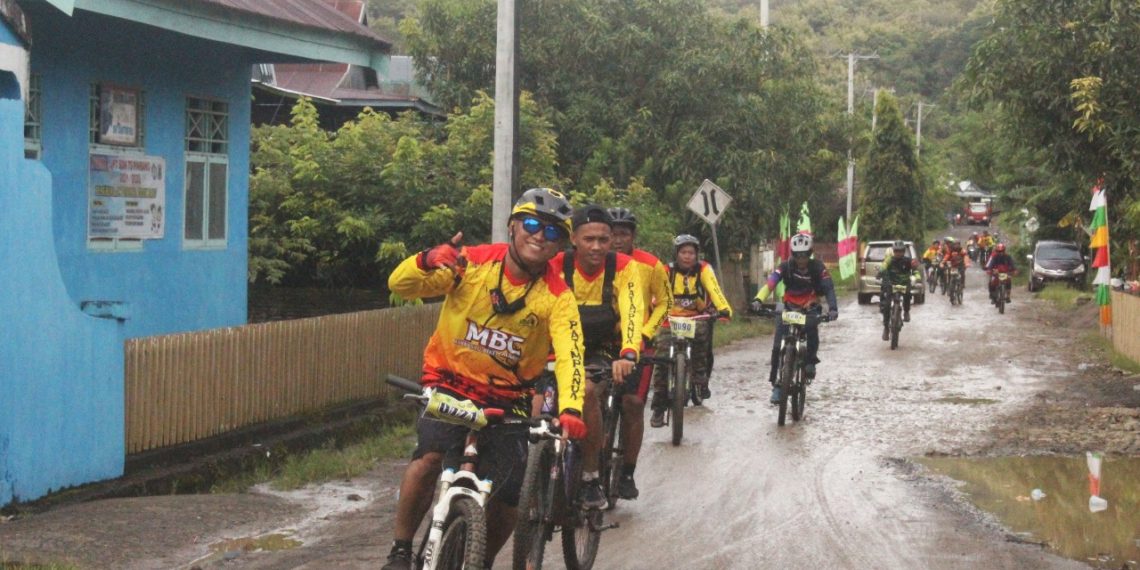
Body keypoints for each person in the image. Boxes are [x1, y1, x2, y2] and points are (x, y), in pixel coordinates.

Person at [381, 188, 587, 570]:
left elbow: (571, 355)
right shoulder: (470, 263)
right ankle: (400, 550)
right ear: (512, 227)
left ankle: (479, 560)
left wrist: (572, 408)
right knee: (429, 459)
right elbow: (400, 285)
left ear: (560, 245)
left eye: (552, 232)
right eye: (531, 224)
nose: (539, 236)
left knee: (509, 497)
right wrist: (426, 260)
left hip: (510, 399)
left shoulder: (558, 296)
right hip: (449, 381)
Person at [549, 205, 644, 509]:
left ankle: (590, 477)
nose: (597, 247)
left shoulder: (624, 267)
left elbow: (632, 310)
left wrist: (628, 352)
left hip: (603, 348)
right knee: (537, 406)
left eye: (604, 239)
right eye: (589, 239)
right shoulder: (555, 264)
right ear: (573, 239)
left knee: (587, 391)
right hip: (558, 345)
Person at [607, 206, 671, 500]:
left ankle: (627, 473)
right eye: (612, 234)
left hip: (638, 346)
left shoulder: (651, 264)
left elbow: (665, 303)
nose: (617, 240)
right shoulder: (594, 262)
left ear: (633, 236)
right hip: (601, 344)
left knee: (632, 404)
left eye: (624, 234)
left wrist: (646, 331)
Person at [649, 234, 733, 427]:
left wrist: (724, 309)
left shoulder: (703, 269)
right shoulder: (666, 270)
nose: (687, 256)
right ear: (676, 254)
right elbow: (655, 294)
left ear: (697, 255)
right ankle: (659, 407)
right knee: (661, 360)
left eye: (691, 253)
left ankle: (700, 378)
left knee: (703, 336)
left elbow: (714, 290)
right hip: (669, 320)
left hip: (695, 318)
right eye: (683, 252)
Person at [750, 231, 838, 404]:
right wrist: (758, 299)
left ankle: (810, 361)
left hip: (809, 306)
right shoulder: (785, 266)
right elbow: (771, 283)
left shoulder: (818, 267)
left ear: (810, 254)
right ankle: (776, 384)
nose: (801, 259)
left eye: (804, 255)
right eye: (797, 256)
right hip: (789, 306)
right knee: (777, 346)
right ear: (793, 254)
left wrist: (833, 309)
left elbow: (828, 288)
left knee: (812, 329)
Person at [878, 240, 920, 339]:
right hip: (891, 284)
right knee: (886, 306)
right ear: (893, 251)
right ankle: (886, 328)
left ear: (904, 251)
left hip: (904, 284)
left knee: (908, 295)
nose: (898, 253)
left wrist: (916, 277)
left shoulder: (908, 260)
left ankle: (906, 312)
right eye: (896, 251)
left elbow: (915, 270)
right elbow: (883, 267)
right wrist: (881, 273)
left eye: (900, 251)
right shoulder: (889, 260)